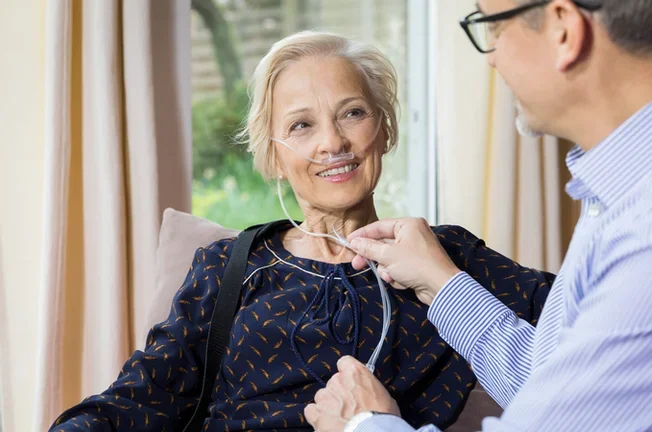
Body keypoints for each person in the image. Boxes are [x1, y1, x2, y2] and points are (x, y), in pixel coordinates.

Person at [49, 31, 553, 431]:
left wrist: (444, 279)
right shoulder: (229, 266)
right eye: (301, 126)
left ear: (385, 128)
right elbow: (144, 395)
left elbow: (592, 318)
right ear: (272, 157)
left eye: (352, 113)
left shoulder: (447, 257)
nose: (333, 141)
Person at [305, 0, 652, 431]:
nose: (492, 58)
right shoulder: (639, 182)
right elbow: (557, 390)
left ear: (564, 29)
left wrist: (364, 423)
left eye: (494, 27)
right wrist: (440, 283)